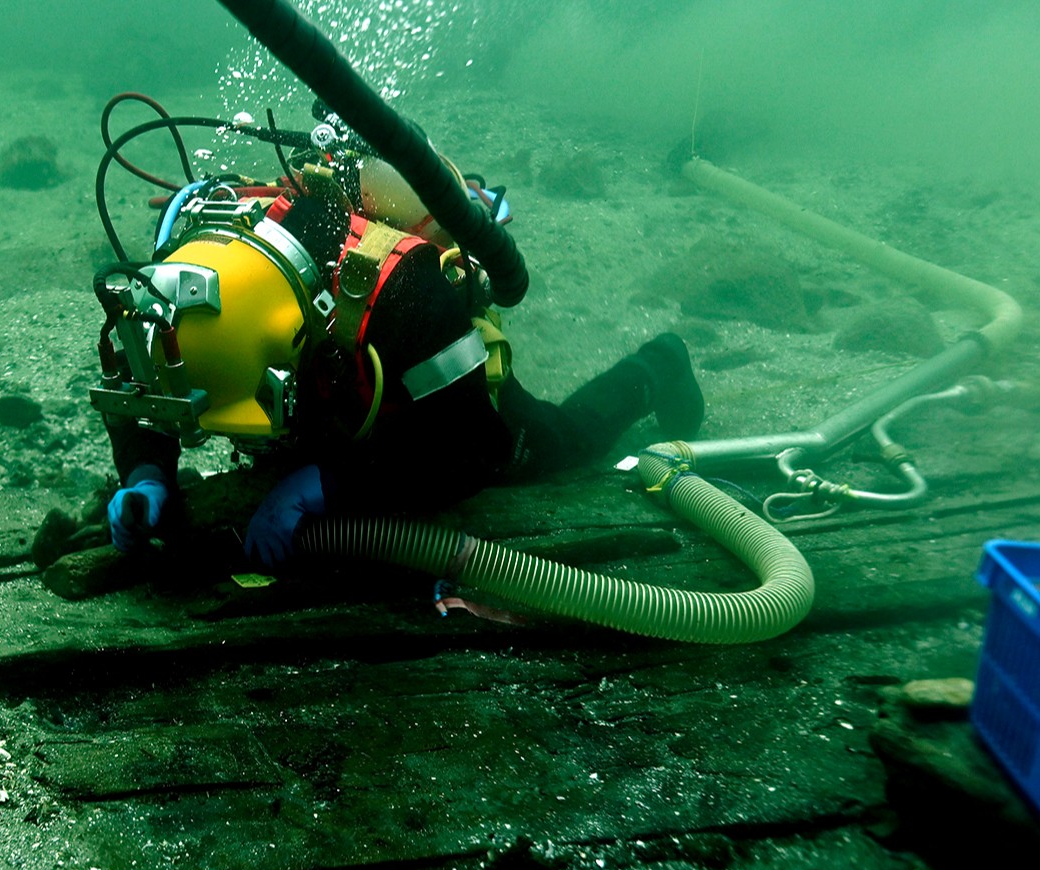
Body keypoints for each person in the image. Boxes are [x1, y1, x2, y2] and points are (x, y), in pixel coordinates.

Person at [92, 154, 704, 571]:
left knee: (556, 444)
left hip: (421, 406)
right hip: (338, 396)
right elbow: (141, 392)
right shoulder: (175, 290)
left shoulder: (409, 294)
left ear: (294, 340)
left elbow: (472, 452)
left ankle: (660, 365)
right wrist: (147, 473)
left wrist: (336, 485)